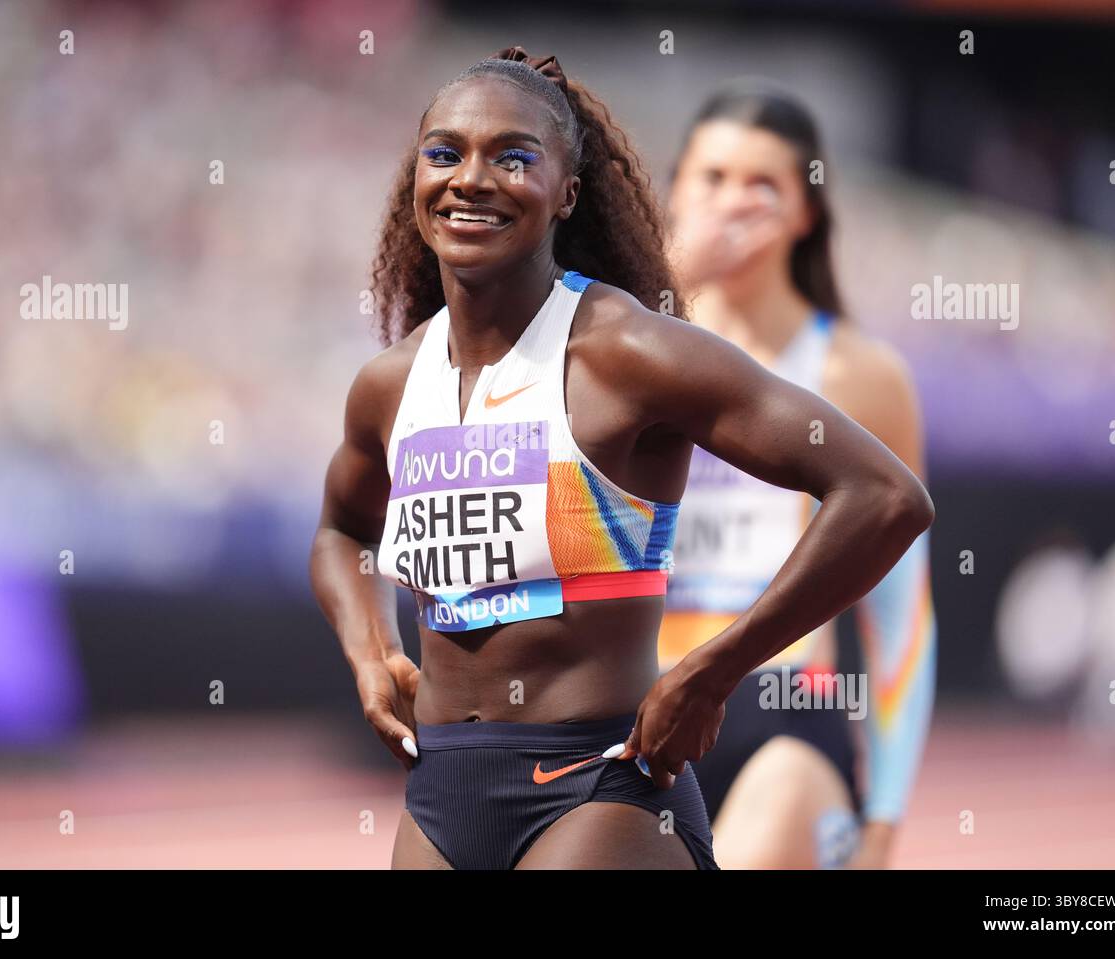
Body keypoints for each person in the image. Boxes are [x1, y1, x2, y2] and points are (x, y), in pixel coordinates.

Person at [309, 49, 934, 870]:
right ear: (415, 179)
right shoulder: (389, 386)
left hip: (596, 786)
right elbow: (342, 530)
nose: (471, 177)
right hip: (438, 798)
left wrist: (717, 667)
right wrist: (369, 648)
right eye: (445, 152)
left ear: (567, 192)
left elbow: (885, 494)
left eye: (513, 156)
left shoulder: (627, 353)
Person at [660, 84, 938, 869]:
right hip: (627, 711)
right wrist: (676, 275)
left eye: (764, 185)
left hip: (777, 711)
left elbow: (902, 616)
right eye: (712, 178)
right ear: (675, 190)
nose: (733, 204)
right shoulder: (622, 349)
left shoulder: (859, 375)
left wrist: (881, 821)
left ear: (805, 213)